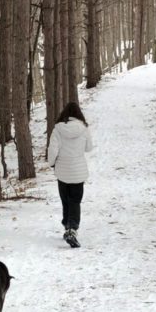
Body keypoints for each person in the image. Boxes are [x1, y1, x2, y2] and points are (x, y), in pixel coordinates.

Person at [47, 101, 93, 248]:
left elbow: (53, 149)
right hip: (78, 171)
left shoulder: (58, 129)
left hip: (62, 171)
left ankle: (67, 225)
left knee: (65, 200)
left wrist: (51, 163)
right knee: (75, 201)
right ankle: (72, 228)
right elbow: (89, 148)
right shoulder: (83, 129)